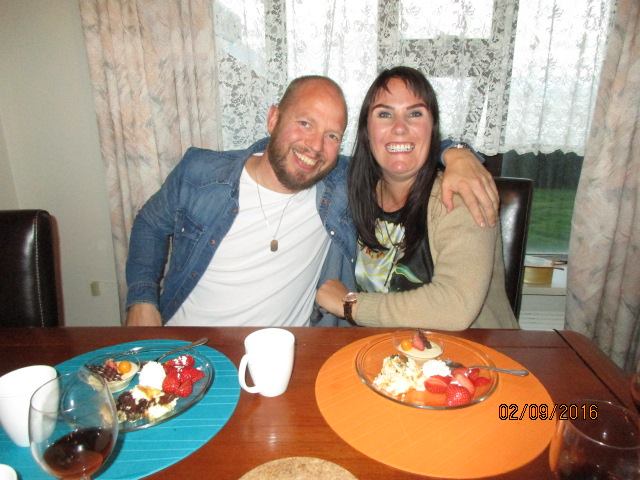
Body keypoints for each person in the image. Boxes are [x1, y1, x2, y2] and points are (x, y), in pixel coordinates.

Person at [125, 75, 498, 327]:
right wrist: (142, 298)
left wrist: (455, 153)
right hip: (189, 348)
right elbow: (150, 223)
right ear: (273, 118)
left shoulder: (337, 183)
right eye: (305, 123)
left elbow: (398, 152)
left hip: (286, 358)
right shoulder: (202, 173)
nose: (315, 147)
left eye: (332, 135)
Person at [316, 67, 517, 329]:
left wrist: (351, 305)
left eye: (415, 114)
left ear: (432, 128)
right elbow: (297, 156)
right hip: (387, 351)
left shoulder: (459, 193)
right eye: (384, 114)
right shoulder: (351, 191)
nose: (400, 128)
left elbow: (455, 306)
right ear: (366, 130)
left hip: (474, 351)